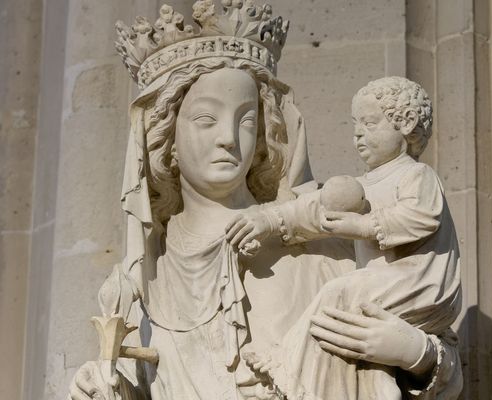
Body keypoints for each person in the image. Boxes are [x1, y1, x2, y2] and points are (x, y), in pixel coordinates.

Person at [68, 3, 463, 400]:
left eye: (246, 121)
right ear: (165, 139)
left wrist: (416, 353)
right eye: (207, 120)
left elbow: (436, 342)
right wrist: (105, 387)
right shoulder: (140, 280)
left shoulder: (319, 239)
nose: (228, 138)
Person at [226, 77, 462, 400]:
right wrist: (270, 218)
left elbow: (418, 217)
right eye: (355, 125)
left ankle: (284, 363)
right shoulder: (359, 187)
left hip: (415, 284)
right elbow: (316, 211)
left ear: (405, 124)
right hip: (379, 299)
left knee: (339, 293)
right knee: (355, 336)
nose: (358, 134)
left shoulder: (416, 177)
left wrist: (415, 352)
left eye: (369, 123)